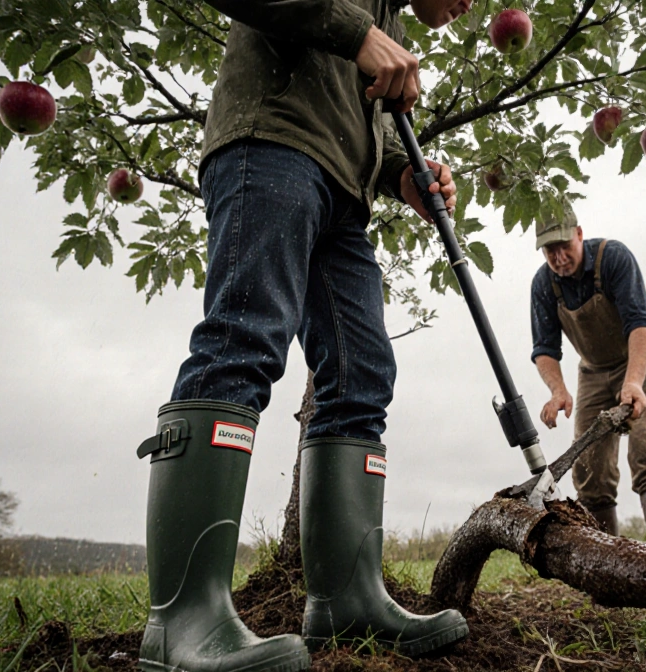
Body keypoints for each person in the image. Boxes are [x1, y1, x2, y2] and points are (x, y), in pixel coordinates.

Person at [132, 2, 475, 670]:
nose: (468, 6)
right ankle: (181, 623)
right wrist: (358, 35)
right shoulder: (368, 22)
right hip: (271, 147)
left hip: (343, 196)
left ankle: (346, 602)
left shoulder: (390, 21)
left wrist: (403, 173)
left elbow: (357, 118)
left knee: (363, 375)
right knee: (245, 339)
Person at [529, 202, 646, 546]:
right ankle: (604, 560)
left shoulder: (613, 258)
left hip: (644, 357)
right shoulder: (543, 285)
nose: (559, 258)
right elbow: (544, 349)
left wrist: (633, 382)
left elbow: (640, 323)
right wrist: (558, 391)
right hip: (594, 371)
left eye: (564, 247)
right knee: (588, 466)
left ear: (579, 235)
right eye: (549, 251)